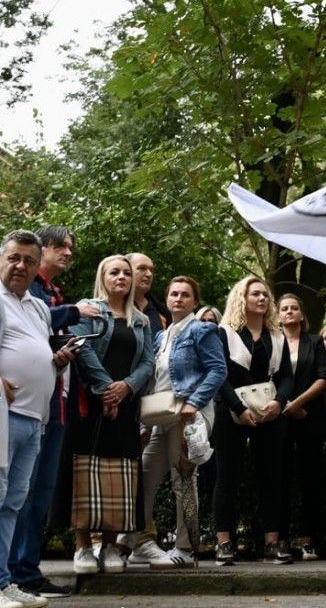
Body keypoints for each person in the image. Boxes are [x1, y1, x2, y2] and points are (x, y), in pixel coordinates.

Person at [12, 225, 97, 600]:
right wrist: (75, 312)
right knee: (18, 492)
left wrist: (62, 353)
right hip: (21, 408)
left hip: (55, 402)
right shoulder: (26, 292)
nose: (67, 253)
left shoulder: (45, 295)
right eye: (60, 246)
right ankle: (15, 573)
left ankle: (25, 570)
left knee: (38, 492)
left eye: (71, 249)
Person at [124, 276, 227, 568]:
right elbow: (156, 380)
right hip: (161, 416)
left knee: (183, 479)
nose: (178, 299)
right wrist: (145, 423)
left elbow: (218, 370)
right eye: (173, 294)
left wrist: (195, 401)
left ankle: (186, 550)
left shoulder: (203, 330)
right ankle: (133, 542)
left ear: (195, 301)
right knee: (142, 479)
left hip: (189, 414)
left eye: (185, 295)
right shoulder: (162, 335)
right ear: (167, 300)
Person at [0, 230, 77, 608]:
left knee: (14, 501)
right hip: (4, 414)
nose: (21, 266)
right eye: (14, 258)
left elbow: (35, 352)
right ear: (2, 258)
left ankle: (5, 582)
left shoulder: (36, 306)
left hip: (36, 417)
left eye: (29, 261)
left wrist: (56, 362)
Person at [68, 255, 155, 575]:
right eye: (114, 272)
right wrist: (107, 389)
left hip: (126, 406)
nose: (121, 277)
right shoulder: (87, 309)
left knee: (118, 477)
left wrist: (126, 388)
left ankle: (108, 546)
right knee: (85, 472)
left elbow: (148, 363)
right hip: (90, 404)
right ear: (102, 277)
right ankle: (83, 548)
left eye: (126, 273)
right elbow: (82, 349)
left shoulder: (141, 319)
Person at [212, 276, 294, 566]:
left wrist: (279, 401)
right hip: (231, 411)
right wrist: (237, 407)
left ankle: (272, 545)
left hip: (269, 412)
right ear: (242, 298)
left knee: (271, 478)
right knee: (226, 478)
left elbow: (286, 375)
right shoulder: (225, 333)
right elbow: (217, 373)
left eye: (265, 295)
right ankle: (224, 543)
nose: (262, 299)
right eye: (255, 294)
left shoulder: (278, 335)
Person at [276, 293, 326, 561]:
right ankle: (281, 540)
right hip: (279, 417)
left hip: (310, 415)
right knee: (280, 480)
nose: (289, 312)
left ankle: (309, 540)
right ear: (277, 315)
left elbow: (323, 377)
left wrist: (298, 403)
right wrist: (285, 405)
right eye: (284, 308)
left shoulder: (315, 342)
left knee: (310, 481)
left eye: (294, 308)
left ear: (301, 314)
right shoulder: (272, 341)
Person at [127, 253, 167, 337]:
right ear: (126, 271)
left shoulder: (162, 311)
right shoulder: (111, 307)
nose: (149, 274)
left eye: (151, 270)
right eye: (142, 268)